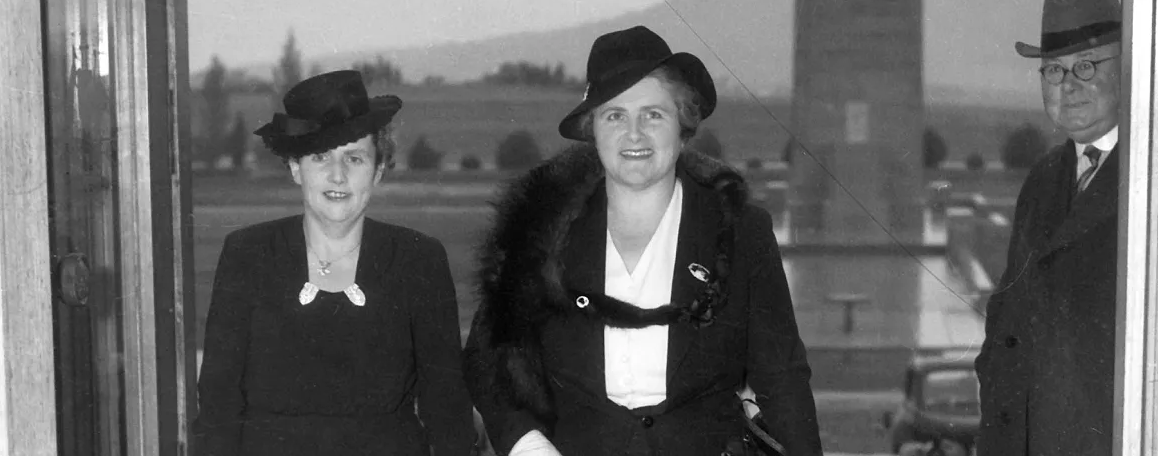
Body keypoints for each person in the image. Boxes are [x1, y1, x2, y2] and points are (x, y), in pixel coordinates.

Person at [463, 26, 822, 456]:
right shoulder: (542, 230)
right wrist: (530, 447)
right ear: (591, 129)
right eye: (615, 115)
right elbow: (487, 360)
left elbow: (782, 378)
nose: (634, 134)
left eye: (653, 114)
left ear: (684, 126)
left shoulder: (741, 232)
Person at [194, 70, 474, 455]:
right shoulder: (248, 254)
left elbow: (447, 410)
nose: (337, 175)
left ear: (377, 171)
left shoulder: (418, 259)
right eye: (320, 156)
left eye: (354, 158)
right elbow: (217, 407)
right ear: (296, 168)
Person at [974, 0, 1125, 456]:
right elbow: (1006, 320)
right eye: (1054, 70)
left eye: (1086, 66)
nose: (1068, 86)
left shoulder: (1157, 177)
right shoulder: (1042, 179)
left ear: (1128, 71)